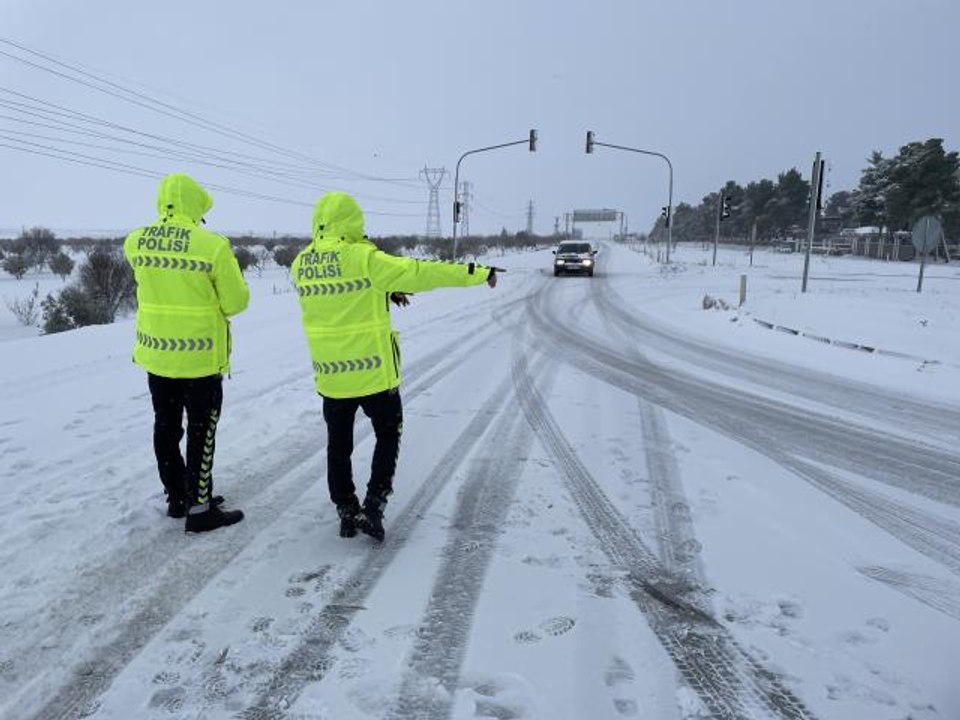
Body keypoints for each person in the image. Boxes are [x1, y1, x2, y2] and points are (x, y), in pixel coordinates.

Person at [292, 192, 499, 541]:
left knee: (338, 446)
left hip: (332, 377)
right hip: (373, 374)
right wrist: (476, 272)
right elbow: (420, 272)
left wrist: (384, 292)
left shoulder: (301, 264)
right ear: (353, 222)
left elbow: (338, 296)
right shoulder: (364, 257)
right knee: (388, 435)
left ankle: (346, 509)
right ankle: (374, 505)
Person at [124, 173, 249, 533]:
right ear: (197, 206)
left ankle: (178, 497)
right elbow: (236, 302)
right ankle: (200, 508)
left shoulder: (136, 241)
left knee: (165, 428)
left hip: (157, 356)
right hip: (199, 359)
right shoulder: (212, 246)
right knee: (200, 432)